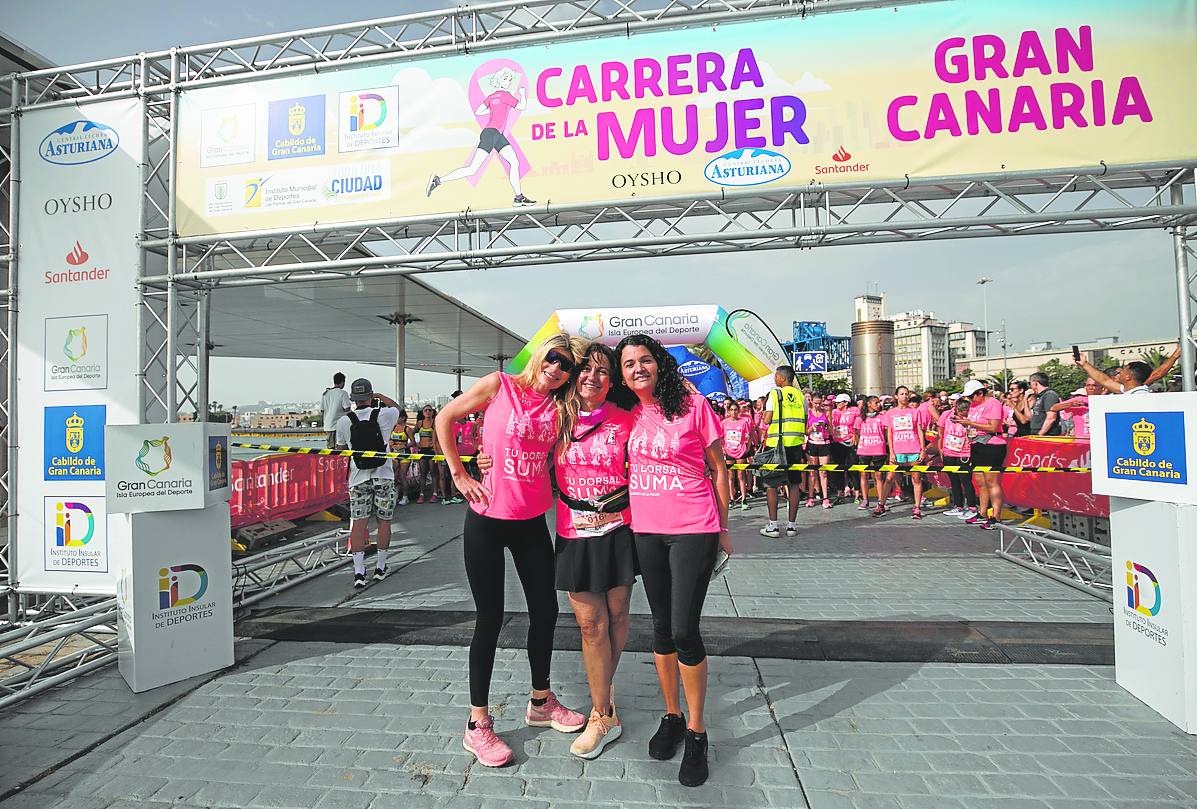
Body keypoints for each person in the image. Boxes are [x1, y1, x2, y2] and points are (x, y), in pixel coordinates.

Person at [434, 333, 586, 768]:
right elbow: (444, 418)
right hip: (486, 516)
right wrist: (460, 472)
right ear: (541, 353)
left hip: (530, 521)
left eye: (566, 368)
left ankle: (541, 701)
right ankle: (476, 724)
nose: (556, 369)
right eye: (554, 359)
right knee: (491, 617)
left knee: (546, 611)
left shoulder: (560, 406)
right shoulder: (499, 384)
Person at [617, 333, 731, 788]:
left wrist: (723, 529)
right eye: (628, 364)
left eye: (645, 360)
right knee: (661, 627)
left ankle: (698, 731)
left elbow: (719, 468)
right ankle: (671, 715)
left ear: (659, 364)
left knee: (685, 630)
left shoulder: (692, 404)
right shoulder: (626, 412)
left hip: (694, 528)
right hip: (646, 530)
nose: (638, 368)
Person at [426, 65, 536, 206]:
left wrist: (494, 111)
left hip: (495, 134)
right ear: (500, 81)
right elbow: (521, 106)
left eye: (509, 79)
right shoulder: (505, 95)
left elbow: (479, 110)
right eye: (506, 79)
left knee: (514, 162)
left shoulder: (492, 97)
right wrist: (521, 94)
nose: (508, 82)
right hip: (492, 134)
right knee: (472, 169)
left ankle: (519, 197)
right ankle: (438, 180)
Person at [334, 379, 401, 587]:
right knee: (384, 521)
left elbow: (340, 445)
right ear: (371, 396)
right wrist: (381, 397)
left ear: (353, 399)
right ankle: (381, 567)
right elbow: (398, 409)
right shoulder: (386, 414)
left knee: (359, 522)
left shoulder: (344, 421)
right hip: (384, 475)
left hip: (358, 477)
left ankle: (359, 571)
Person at [758, 366, 807, 538]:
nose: (774, 379)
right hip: (795, 444)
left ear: (781, 378)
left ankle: (773, 526)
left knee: (771, 484)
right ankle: (792, 526)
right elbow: (805, 418)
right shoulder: (801, 396)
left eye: (776, 376)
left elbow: (767, 419)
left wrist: (764, 413)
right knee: (794, 484)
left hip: (776, 444)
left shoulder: (775, 394)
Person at [955, 380, 1007, 530]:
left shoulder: (993, 403)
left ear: (980, 392)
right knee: (981, 482)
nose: (970, 400)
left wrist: (970, 423)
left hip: (992, 445)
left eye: (972, 397)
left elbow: (993, 426)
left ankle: (996, 516)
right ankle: (982, 513)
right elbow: (973, 424)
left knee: (992, 482)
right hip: (976, 444)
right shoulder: (974, 406)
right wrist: (965, 424)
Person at [875, 386, 928, 520]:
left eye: (906, 394)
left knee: (916, 478)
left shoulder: (915, 412)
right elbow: (890, 433)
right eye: (902, 394)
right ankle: (881, 504)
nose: (904, 396)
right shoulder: (891, 413)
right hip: (898, 450)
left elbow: (920, 431)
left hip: (913, 448)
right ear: (896, 396)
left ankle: (917, 508)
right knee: (889, 478)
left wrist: (922, 450)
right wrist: (891, 452)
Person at [939, 397, 979, 519]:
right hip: (949, 451)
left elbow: (973, 434)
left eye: (966, 411)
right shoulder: (946, 415)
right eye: (962, 412)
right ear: (956, 409)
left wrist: (966, 423)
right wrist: (941, 448)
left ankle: (972, 507)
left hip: (964, 453)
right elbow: (941, 431)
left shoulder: (970, 417)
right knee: (954, 480)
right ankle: (958, 505)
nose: (964, 414)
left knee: (966, 481)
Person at [1078, 351, 1178, 395]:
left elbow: (1157, 374)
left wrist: (1174, 356)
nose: (1120, 371)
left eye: (1124, 369)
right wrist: (1084, 364)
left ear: (1128, 376)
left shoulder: (1140, 396)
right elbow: (1104, 380)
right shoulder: (1126, 390)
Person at [855, 396, 887, 511]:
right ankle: (865, 499)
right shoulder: (860, 418)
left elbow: (886, 431)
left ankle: (881, 500)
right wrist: (860, 444)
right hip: (864, 449)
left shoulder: (882, 417)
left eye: (879, 402)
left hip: (878, 449)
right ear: (869, 404)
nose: (878, 404)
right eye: (876, 402)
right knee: (864, 474)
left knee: (878, 476)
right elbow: (857, 433)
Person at [721, 400, 754, 510]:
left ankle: (744, 499)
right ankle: (731, 499)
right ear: (728, 411)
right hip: (729, 451)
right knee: (731, 476)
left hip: (740, 451)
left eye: (735, 410)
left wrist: (747, 448)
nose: (733, 412)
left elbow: (749, 436)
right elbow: (720, 437)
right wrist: (723, 448)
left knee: (741, 475)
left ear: (738, 411)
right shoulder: (724, 423)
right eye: (731, 410)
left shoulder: (743, 422)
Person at [804, 397, 834, 509]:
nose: (817, 405)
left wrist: (825, 426)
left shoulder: (826, 413)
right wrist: (812, 428)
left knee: (823, 472)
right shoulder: (808, 413)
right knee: (812, 472)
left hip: (824, 443)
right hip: (812, 443)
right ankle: (810, 497)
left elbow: (831, 431)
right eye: (815, 403)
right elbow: (805, 432)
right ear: (811, 402)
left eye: (819, 403)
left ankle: (825, 498)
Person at [830, 393, 860, 501]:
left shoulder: (854, 410)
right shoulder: (834, 412)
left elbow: (858, 424)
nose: (837, 404)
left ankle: (857, 493)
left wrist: (856, 435)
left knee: (853, 468)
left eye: (839, 402)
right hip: (837, 442)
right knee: (839, 468)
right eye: (836, 403)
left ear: (846, 403)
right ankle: (839, 493)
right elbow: (830, 424)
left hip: (850, 442)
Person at [414, 405, 440, 503]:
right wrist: (414, 442)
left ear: (432, 412)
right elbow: (411, 432)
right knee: (423, 473)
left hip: (432, 450)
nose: (428, 412)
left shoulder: (435, 423)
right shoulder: (420, 423)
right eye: (426, 410)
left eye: (430, 410)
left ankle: (435, 493)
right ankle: (421, 494)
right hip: (422, 450)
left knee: (433, 472)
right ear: (423, 412)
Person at [321, 372, 353, 449]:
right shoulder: (343, 393)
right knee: (342, 450)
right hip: (339, 426)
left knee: (331, 452)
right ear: (342, 382)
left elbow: (322, 410)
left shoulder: (325, 394)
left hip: (328, 426)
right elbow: (347, 408)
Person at [389, 408, 411, 506]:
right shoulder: (393, 427)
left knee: (402, 476)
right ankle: (394, 495)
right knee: (394, 475)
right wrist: (391, 444)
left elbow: (413, 442)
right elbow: (389, 439)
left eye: (398, 417)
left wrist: (404, 446)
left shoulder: (407, 429)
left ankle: (405, 497)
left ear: (402, 418)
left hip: (404, 454)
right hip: (394, 454)